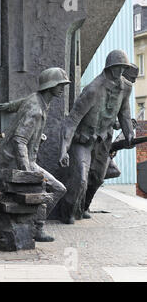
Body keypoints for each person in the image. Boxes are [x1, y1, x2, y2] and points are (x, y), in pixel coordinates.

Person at [0, 68, 69, 242]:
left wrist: (7, 107)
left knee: (54, 188)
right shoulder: (35, 110)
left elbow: (20, 103)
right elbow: (19, 141)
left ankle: (34, 224)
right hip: (15, 161)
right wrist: (27, 173)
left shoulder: (38, 100)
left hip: (20, 158)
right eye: (59, 85)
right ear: (49, 86)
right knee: (56, 188)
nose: (62, 88)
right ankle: (37, 228)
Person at [57, 50, 135, 224]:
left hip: (103, 141)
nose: (120, 71)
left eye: (123, 67)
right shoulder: (93, 89)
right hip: (83, 140)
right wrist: (63, 150)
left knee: (98, 178)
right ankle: (66, 212)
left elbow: (124, 114)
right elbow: (71, 121)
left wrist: (129, 133)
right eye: (117, 67)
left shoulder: (126, 88)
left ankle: (83, 207)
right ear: (109, 68)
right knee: (81, 178)